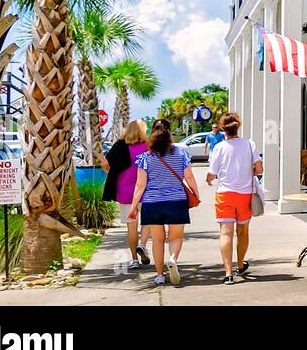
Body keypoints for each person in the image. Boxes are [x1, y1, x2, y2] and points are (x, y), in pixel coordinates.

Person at [129, 122, 199, 287]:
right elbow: (189, 177)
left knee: (158, 240)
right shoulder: (181, 154)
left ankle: (160, 275)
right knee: (176, 236)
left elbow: (140, 186)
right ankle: (173, 259)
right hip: (177, 201)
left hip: (152, 203)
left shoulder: (145, 158)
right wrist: (196, 193)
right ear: (170, 137)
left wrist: (133, 207)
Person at [205, 112, 263, 284]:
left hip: (225, 194)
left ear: (223, 129)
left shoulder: (219, 148)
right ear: (238, 126)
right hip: (245, 195)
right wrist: (246, 171)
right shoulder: (249, 144)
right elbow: (259, 170)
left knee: (226, 233)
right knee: (242, 231)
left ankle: (228, 273)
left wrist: (208, 180)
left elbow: (211, 174)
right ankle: (240, 264)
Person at [101, 119, 151, 269]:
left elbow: (104, 163)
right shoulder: (148, 145)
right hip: (147, 189)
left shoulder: (119, 146)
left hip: (125, 190)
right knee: (148, 222)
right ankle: (142, 245)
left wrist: (112, 173)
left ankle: (134, 260)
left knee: (131, 226)